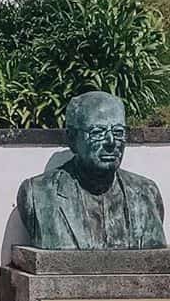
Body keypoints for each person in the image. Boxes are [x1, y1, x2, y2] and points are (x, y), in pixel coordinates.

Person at [17, 91, 166, 250]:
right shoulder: (38, 193)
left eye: (118, 132)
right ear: (72, 139)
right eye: (97, 132)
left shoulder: (147, 193)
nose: (111, 142)